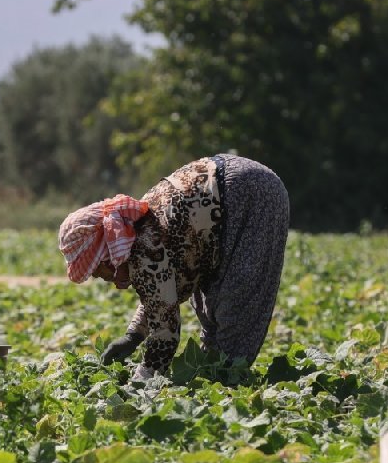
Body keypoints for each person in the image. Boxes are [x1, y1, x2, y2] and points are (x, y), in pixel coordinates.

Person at [58, 154, 289, 380]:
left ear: (106, 252)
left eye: (97, 269)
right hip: (231, 188)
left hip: (251, 196)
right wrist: (134, 335)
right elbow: (161, 293)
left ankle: (228, 381)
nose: (101, 276)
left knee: (237, 304)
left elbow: (165, 336)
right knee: (210, 313)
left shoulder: (144, 248)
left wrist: (141, 383)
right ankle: (219, 376)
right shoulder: (136, 226)